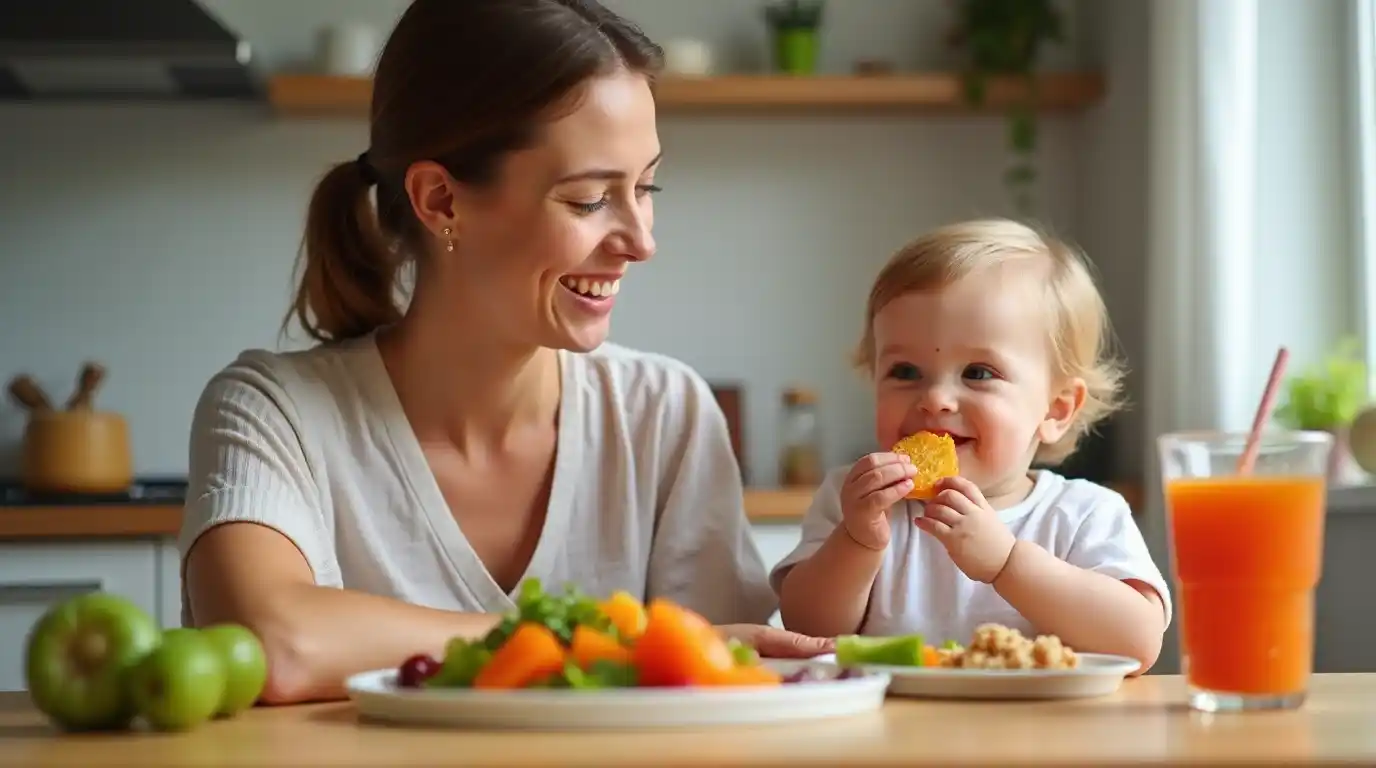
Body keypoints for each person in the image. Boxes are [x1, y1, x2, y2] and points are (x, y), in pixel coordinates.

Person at [179, 0, 828, 706]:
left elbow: (716, 687)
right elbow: (272, 643)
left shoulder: (663, 415)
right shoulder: (274, 413)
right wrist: (588, 643)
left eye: (646, 187)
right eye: (588, 200)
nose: (641, 240)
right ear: (440, 201)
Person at [772, 219, 1170, 671]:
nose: (935, 400)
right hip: (890, 736)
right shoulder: (856, 501)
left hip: (1044, 736)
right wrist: (856, 542)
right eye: (905, 372)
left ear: (1056, 410)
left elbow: (1137, 642)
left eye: (978, 373)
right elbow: (806, 630)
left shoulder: (1082, 513)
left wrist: (1006, 563)